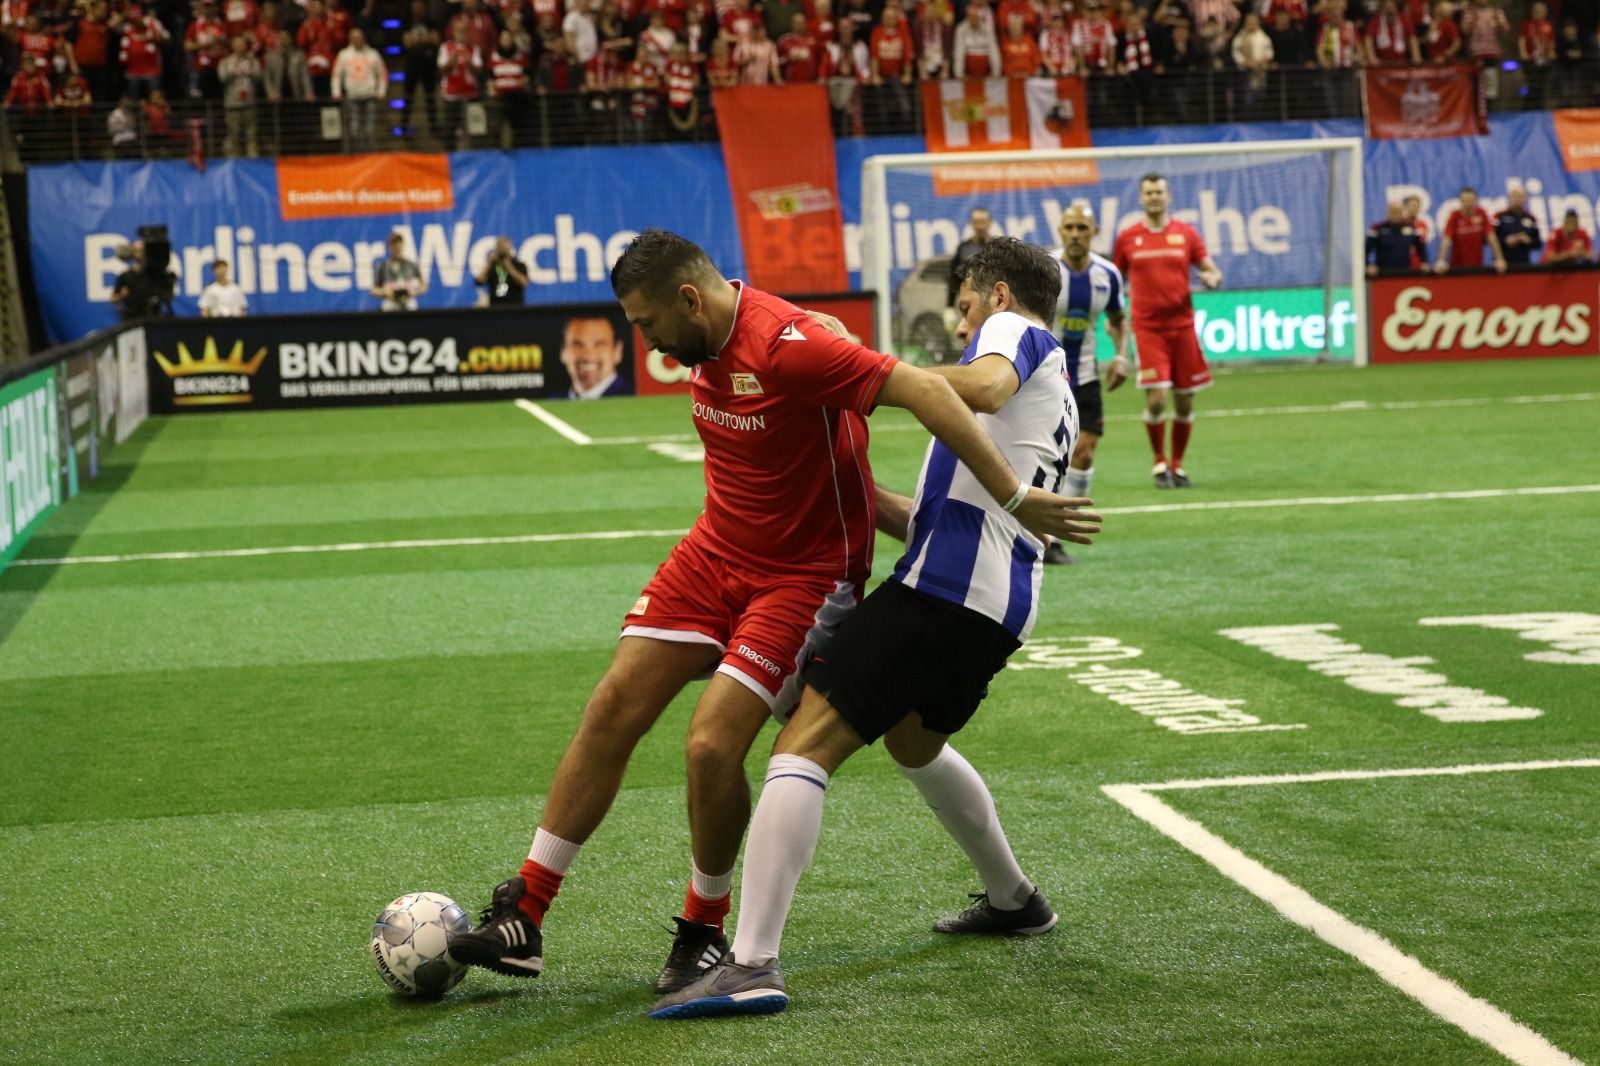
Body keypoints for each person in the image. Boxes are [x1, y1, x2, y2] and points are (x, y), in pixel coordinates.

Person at [446, 229, 1093, 994]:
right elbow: (914, 504)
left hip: (833, 582)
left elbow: (947, 391)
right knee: (627, 704)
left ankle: (723, 944)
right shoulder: (715, 345)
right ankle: (528, 908)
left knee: (752, 748)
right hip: (729, 555)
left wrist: (1001, 485)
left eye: (647, 322)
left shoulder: (826, 344)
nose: (644, 340)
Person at [648, 237, 1100, 1020]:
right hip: (999, 604)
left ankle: (751, 962)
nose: (960, 324)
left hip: (945, 593)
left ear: (996, 295)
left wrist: (859, 371)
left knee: (801, 746)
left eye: (961, 306)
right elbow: (931, 508)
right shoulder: (1054, 389)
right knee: (912, 741)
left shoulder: (1014, 333)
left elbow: (984, 388)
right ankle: (1015, 898)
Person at [1113, 172, 1222, 490]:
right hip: (1147, 328)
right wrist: (1112, 314)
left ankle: (1178, 465)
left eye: (1159, 192)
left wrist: (1213, 278)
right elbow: (1114, 279)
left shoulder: (1186, 234)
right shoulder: (1128, 238)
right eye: (1148, 193)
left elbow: (1209, 268)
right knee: (1158, 399)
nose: (1154, 197)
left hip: (1183, 327)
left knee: (1185, 402)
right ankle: (1159, 462)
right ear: (1141, 198)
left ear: (1169, 196)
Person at [1049, 203, 1128, 565]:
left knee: (1085, 452)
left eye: (1083, 227)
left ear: (1094, 231)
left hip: (1087, 376)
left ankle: (1060, 532)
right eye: (1070, 227)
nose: (1076, 234)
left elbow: (1118, 318)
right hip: (1045, 378)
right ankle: (1035, 533)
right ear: (1060, 231)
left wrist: (1121, 355)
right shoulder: (1046, 271)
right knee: (1047, 455)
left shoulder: (1107, 274)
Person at [332, 27, 387, 152]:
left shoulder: (373, 54)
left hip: (370, 96)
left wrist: (381, 91)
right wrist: (336, 91)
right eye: (354, 38)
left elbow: (382, 74)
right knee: (354, 129)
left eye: (359, 38)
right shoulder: (344, 55)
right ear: (350, 40)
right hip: (352, 96)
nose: (357, 40)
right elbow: (336, 74)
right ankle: (356, 156)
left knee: (370, 130)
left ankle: (372, 156)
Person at [1435, 186, 1506, 274]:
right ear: (1461, 201)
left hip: (1477, 268)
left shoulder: (1481, 214)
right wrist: (1441, 260)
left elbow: (1491, 237)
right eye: (1465, 201)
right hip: (1457, 269)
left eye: (1471, 200)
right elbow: (1446, 239)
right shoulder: (1455, 216)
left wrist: (1499, 259)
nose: (1468, 204)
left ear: (1476, 201)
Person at [559, 315, 631, 397]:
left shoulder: (635, 397)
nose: (588, 357)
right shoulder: (552, 402)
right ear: (563, 351)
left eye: (599, 345)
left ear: (617, 351)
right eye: (578, 345)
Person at [946, 206, 995, 314]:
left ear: (990, 223)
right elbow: (954, 277)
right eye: (976, 222)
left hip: (995, 305)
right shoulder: (963, 248)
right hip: (972, 308)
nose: (980, 226)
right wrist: (949, 307)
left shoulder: (999, 247)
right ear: (971, 224)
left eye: (983, 222)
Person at [1366, 200, 1428, 276]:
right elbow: (1365, 250)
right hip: (1382, 274)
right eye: (1393, 212)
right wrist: (1368, 265)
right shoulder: (1377, 229)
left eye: (1398, 212)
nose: (1395, 215)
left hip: (1405, 273)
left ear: (1403, 212)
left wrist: (1424, 262)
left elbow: (1421, 248)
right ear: (1387, 212)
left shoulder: (1411, 228)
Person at [371, 232, 425, 310]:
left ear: (403, 246)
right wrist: (384, 292)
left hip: (408, 300)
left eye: (399, 245)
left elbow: (424, 285)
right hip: (390, 301)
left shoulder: (411, 265)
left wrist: (415, 291)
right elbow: (373, 289)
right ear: (389, 247)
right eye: (394, 246)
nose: (397, 248)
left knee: (412, 306)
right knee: (387, 306)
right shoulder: (383, 267)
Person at [1494, 187, 1542, 269]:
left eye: (1521, 196)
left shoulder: (1531, 218)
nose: (1518, 199)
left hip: (1524, 263)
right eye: (1515, 196)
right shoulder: (1499, 216)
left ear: (1525, 199)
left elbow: (1538, 243)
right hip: (1503, 264)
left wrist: (1528, 240)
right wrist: (1506, 241)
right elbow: (1491, 239)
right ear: (1510, 198)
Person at [477, 236, 529, 306]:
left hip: (515, 305)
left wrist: (510, 268)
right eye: (499, 247)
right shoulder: (492, 266)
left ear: (509, 248)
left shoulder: (519, 265)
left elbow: (524, 283)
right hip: (496, 305)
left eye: (504, 248)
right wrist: (489, 264)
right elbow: (479, 281)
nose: (501, 250)